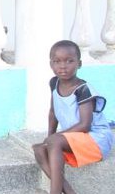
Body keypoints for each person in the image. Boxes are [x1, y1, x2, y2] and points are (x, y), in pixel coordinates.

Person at [32, 40, 113, 194]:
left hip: (96, 139)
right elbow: (53, 111)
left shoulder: (82, 89)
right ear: (51, 64)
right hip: (76, 138)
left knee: (54, 141)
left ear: (79, 63)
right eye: (57, 61)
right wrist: (49, 138)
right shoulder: (54, 82)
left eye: (70, 61)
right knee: (39, 150)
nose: (63, 66)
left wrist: (54, 138)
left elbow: (85, 125)